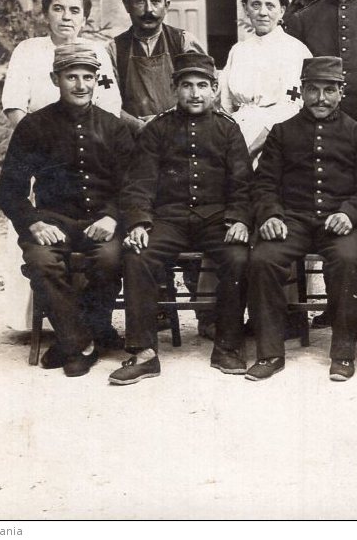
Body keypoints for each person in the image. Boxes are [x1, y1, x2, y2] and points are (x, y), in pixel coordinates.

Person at [108, 52, 253, 385]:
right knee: (138, 255)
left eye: (202, 85)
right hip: (168, 220)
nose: (195, 93)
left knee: (238, 255)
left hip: (217, 219)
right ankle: (144, 352)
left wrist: (240, 219)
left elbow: (243, 183)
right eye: (186, 85)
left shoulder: (228, 130)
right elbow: (139, 182)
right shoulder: (157, 129)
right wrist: (140, 223)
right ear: (175, 88)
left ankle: (228, 345)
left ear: (215, 89)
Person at [0, 43, 135, 377]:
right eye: (71, 76)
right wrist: (33, 222)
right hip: (52, 221)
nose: (80, 85)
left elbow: (133, 184)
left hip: (101, 221)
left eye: (88, 77)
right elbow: (8, 189)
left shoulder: (113, 127)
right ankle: (81, 342)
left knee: (110, 259)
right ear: (55, 78)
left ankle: (76, 338)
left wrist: (113, 216)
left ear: (96, 79)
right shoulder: (34, 126)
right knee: (42, 261)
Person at [246, 57, 357, 381]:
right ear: (301, 90)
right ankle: (270, 352)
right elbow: (264, 184)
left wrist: (349, 212)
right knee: (263, 259)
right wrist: (270, 215)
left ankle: (343, 353)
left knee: (347, 259)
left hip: (340, 221)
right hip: (293, 220)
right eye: (313, 89)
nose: (320, 98)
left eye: (329, 90)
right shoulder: (283, 132)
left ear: (341, 92)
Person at [2, 0, 122, 125]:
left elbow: (109, 103)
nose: (66, 17)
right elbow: (14, 105)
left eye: (74, 10)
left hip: (89, 136)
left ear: (83, 20)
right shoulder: (27, 50)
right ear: (46, 15)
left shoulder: (96, 51)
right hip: (39, 135)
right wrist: (32, 138)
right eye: (58, 9)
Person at [217, 0, 310, 159]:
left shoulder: (295, 50)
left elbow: (291, 107)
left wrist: (251, 150)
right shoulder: (239, 50)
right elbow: (225, 105)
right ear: (245, 9)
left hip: (276, 140)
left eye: (270, 5)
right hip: (236, 136)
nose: (263, 12)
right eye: (256, 5)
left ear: (282, 11)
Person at [111, 0, 207, 133]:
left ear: (167, 5)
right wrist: (138, 126)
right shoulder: (114, 50)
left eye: (155, 1)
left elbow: (203, 94)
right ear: (127, 5)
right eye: (140, 0)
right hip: (133, 140)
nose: (149, 9)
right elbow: (106, 101)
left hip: (181, 135)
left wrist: (163, 123)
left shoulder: (184, 42)